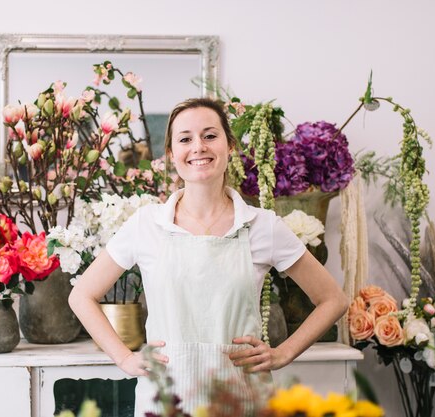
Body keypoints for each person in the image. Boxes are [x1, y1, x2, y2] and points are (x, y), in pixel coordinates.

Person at [68, 98, 349, 415]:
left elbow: (333, 299)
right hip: (165, 400)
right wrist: (124, 358)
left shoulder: (262, 226)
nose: (198, 147)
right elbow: (81, 295)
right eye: (185, 139)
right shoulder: (146, 224)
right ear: (172, 156)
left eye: (210, 135)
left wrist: (283, 353)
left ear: (230, 147)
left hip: (243, 398)